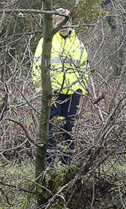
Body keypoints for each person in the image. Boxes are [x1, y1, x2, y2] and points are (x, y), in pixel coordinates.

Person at [31, 8, 90, 164]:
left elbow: (84, 68)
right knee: (51, 128)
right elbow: (37, 67)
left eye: (67, 22)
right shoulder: (46, 41)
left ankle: (66, 163)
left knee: (68, 127)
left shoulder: (78, 44)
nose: (64, 26)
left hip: (72, 92)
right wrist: (42, 89)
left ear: (71, 23)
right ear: (55, 23)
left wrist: (81, 89)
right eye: (60, 22)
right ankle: (49, 164)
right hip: (53, 92)